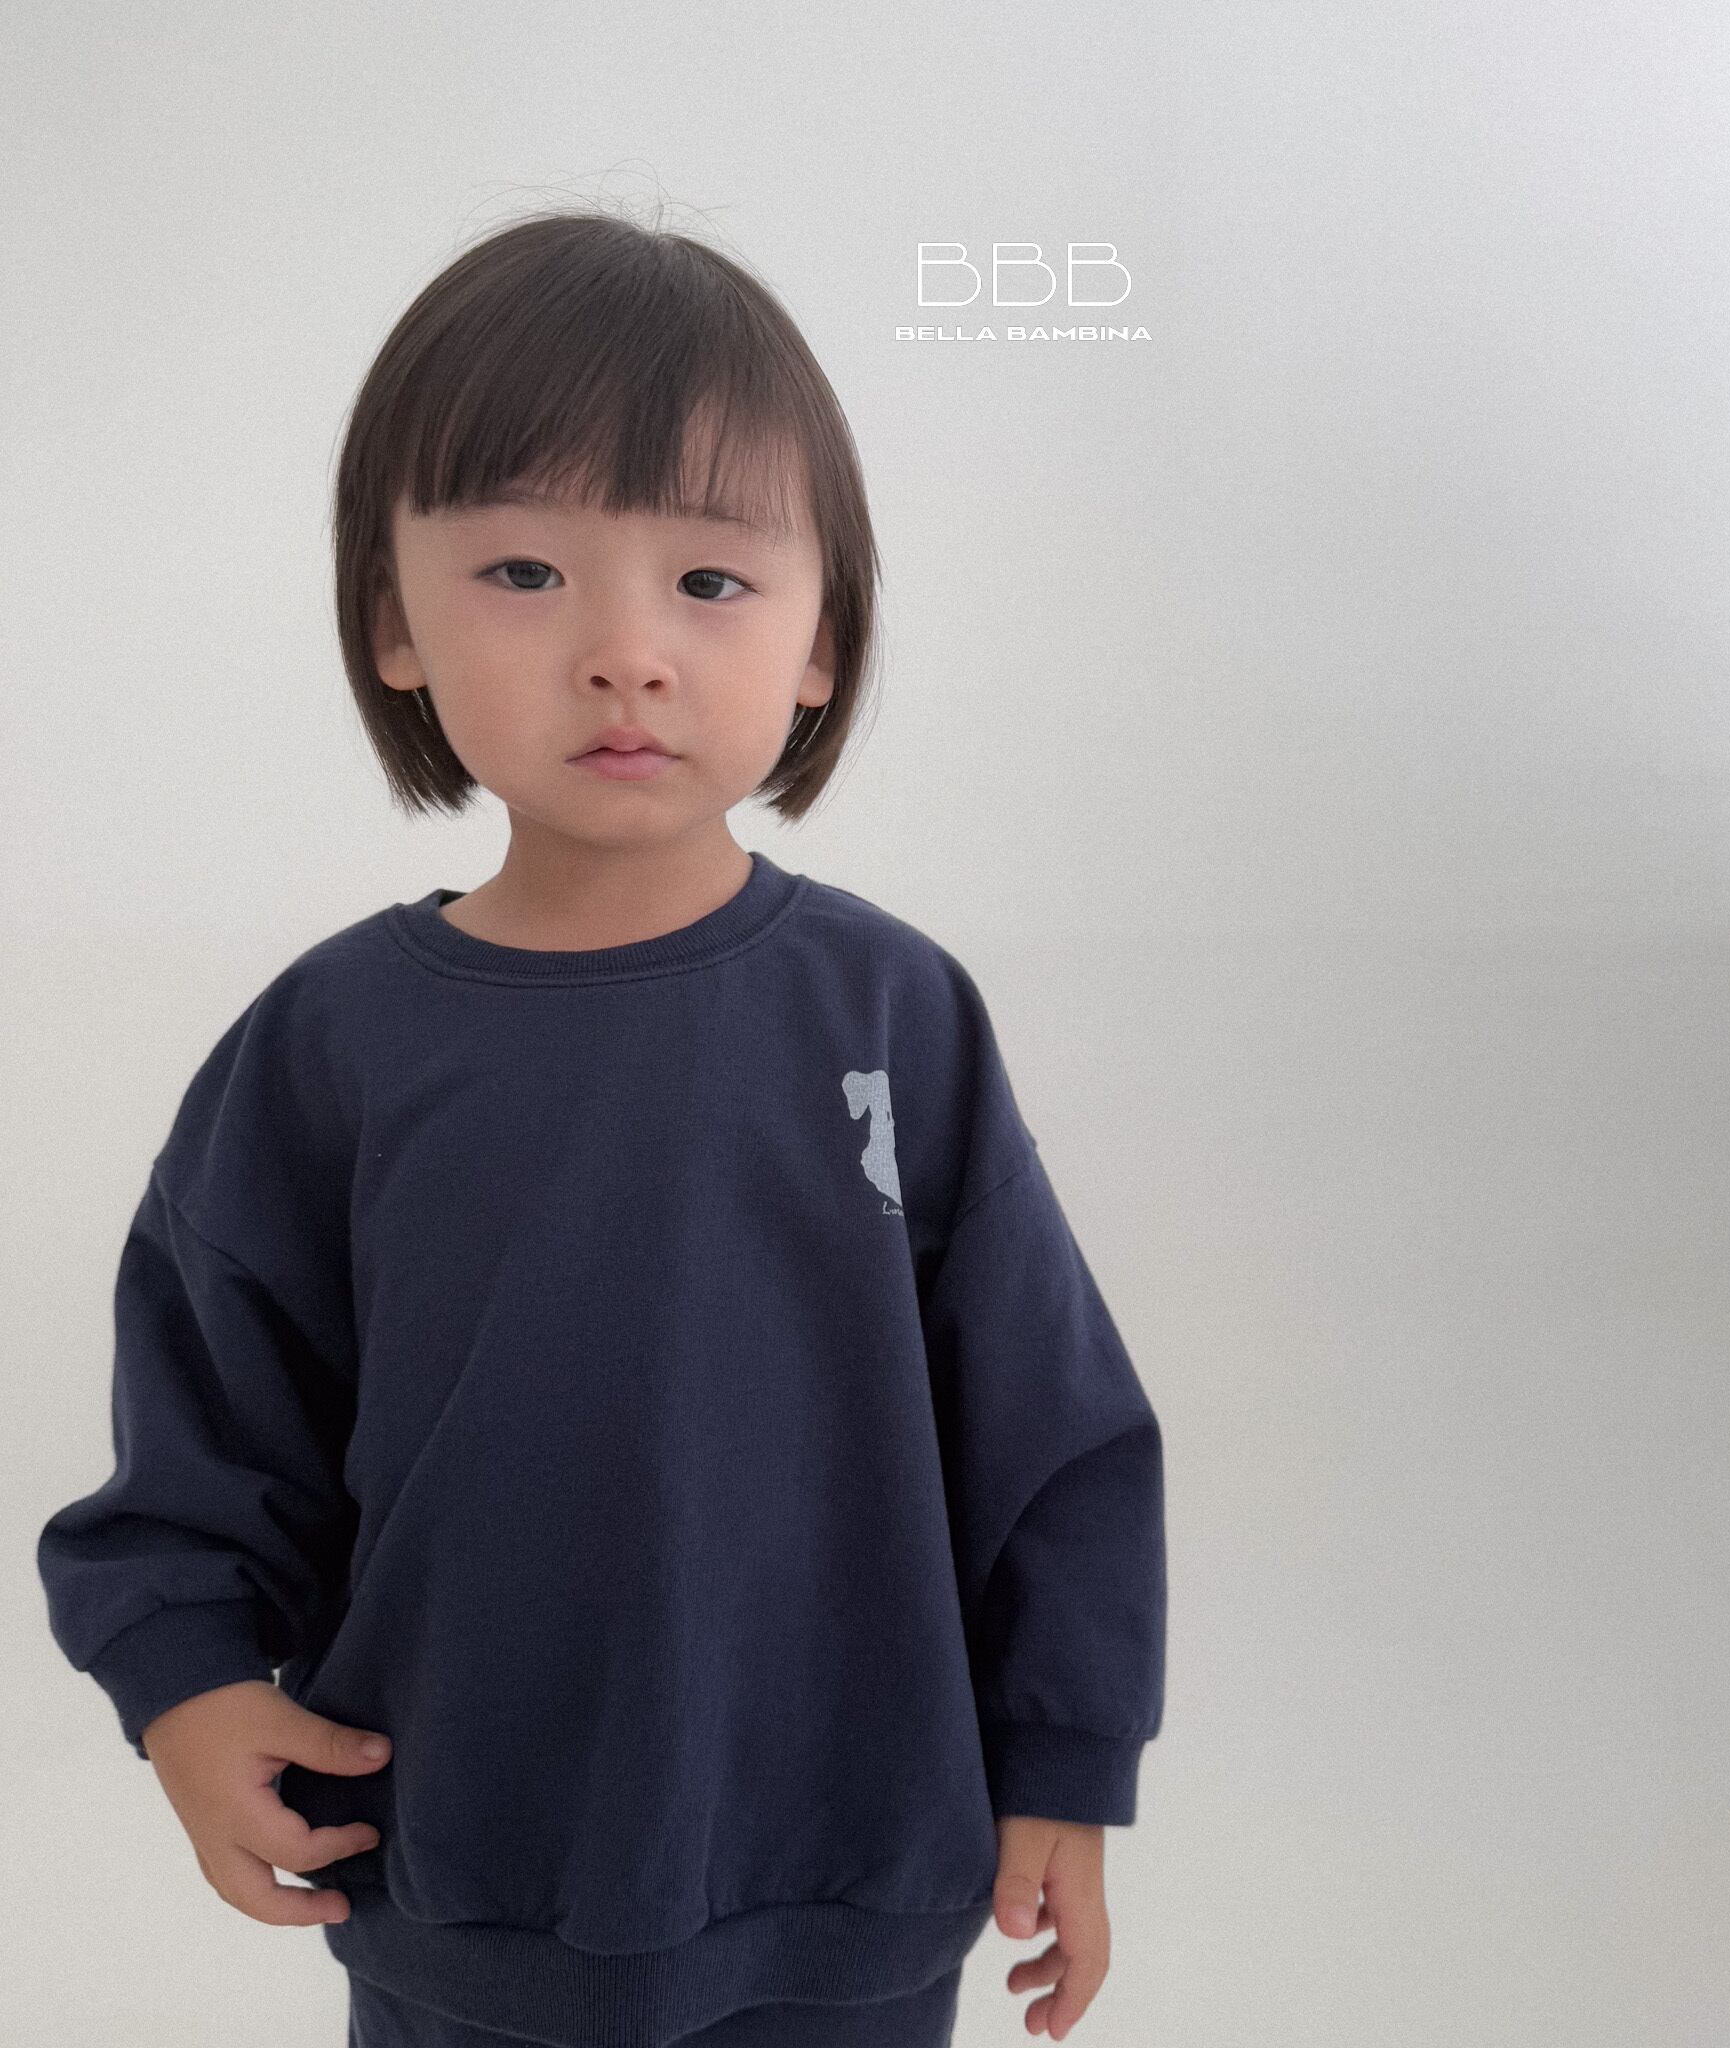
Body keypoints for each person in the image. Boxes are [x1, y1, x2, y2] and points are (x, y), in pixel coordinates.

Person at [34, 208, 1168, 2048]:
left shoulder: (894, 1021)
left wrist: (1065, 1758)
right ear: (393, 621)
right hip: (462, 1875)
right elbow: (206, 1425)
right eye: (525, 571)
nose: (625, 652)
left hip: (851, 1880)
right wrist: (184, 1683)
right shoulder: (329, 1047)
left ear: (820, 640)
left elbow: (1054, 1430)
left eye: (710, 581)